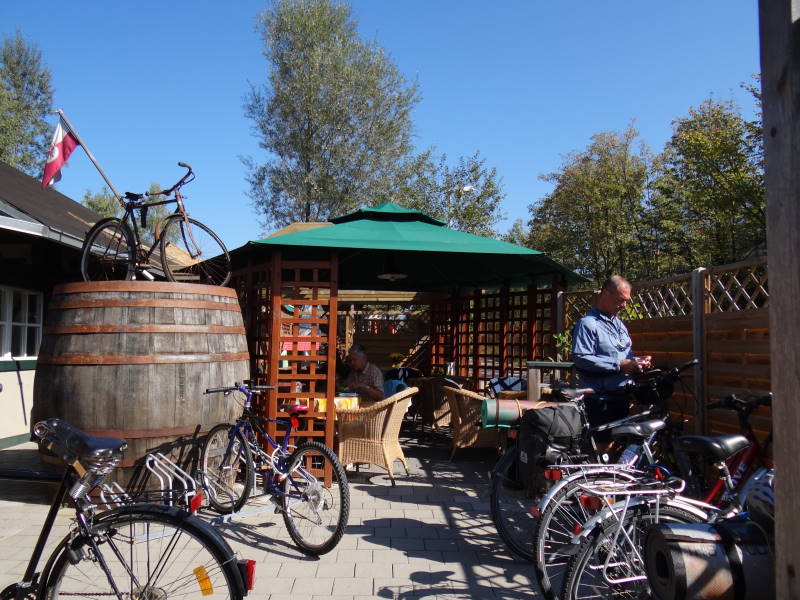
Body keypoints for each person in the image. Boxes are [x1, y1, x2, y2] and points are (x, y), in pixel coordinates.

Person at [571, 275, 651, 446]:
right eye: (620, 300)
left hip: (621, 398)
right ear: (606, 294)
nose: (624, 305)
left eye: (627, 301)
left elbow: (622, 357)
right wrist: (619, 365)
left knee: (619, 447)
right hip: (600, 401)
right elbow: (581, 359)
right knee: (603, 451)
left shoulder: (619, 324)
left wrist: (636, 362)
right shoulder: (588, 324)